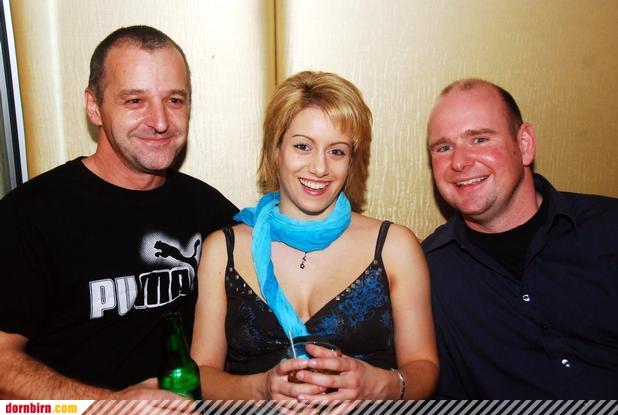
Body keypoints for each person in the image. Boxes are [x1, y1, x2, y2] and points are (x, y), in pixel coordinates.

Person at [0, 25, 237, 400]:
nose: (160, 121)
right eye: (135, 100)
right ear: (94, 106)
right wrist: (110, 405)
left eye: (174, 100)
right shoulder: (29, 216)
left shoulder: (209, 211)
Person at [191, 70, 438, 401]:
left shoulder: (395, 247)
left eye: (337, 151)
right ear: (275, 150)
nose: (320, 168)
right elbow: (200, 376)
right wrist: (261, 389)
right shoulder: (223, 250)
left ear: (352, 162)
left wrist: (378, 385)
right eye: (302, 146)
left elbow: (424, 369)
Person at [423, 78, 618, 398]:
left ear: (524, 143)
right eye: (444, 147)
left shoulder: (608, 229)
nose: (459, 162)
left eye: (480, 139)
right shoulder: (426, 271)